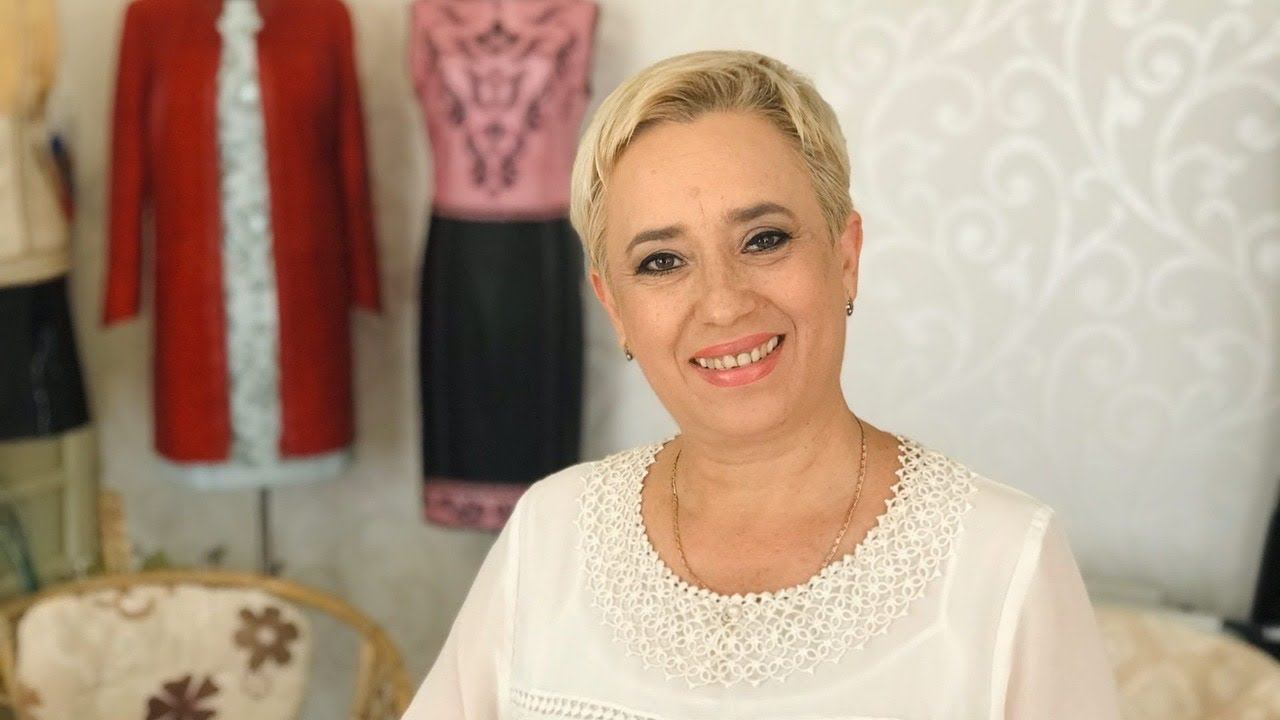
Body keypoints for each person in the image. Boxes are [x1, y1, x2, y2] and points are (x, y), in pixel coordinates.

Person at [401, 49, 1122, 719]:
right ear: (614, 307)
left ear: (845, 257)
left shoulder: (1004, 560)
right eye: (661, 261)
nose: (723, 304)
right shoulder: (547, 534)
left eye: (764, 240)